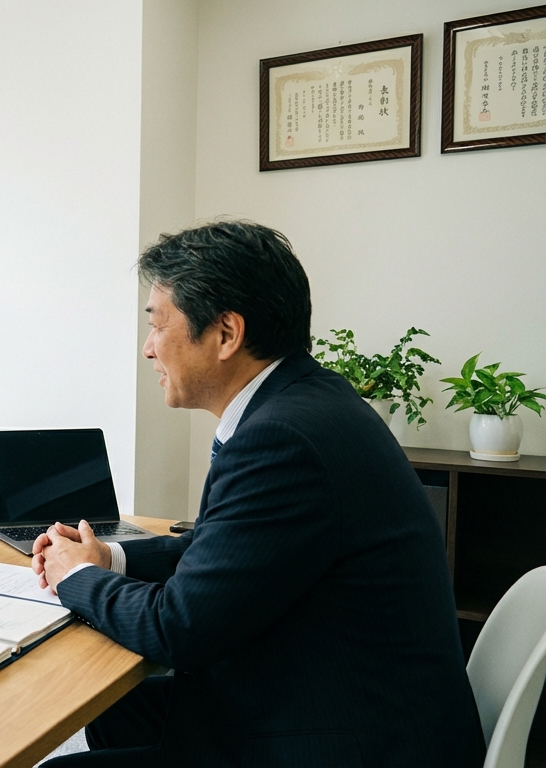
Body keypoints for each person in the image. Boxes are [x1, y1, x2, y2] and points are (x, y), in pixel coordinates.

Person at [33, 221, 484, 767]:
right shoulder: (310, 399)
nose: (148, 349)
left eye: (157, 325)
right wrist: (111, 558)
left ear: (226, 333)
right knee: (113, 711)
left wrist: (76, 576)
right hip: (348, 693)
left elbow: (178, 629)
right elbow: (226, 550)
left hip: (352, 739)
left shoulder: (281, 439)